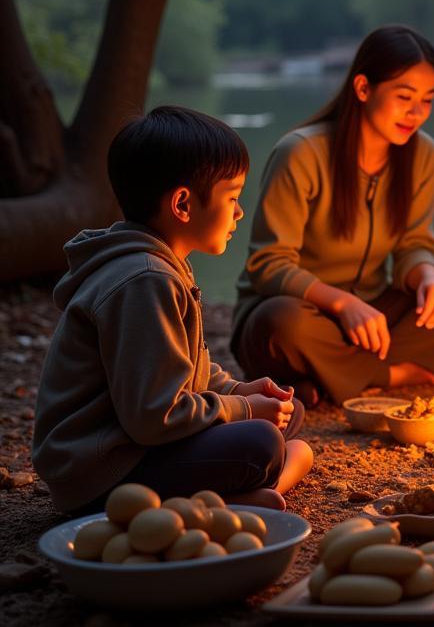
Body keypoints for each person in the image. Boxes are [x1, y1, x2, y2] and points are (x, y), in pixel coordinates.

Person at [33, 107, 314, 514]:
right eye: (232, 197)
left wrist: (238, 392)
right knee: (265, 442)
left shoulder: (160, 264)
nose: (239, 212)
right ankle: (226, 503)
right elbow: (155, 415)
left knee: (290, 413)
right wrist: (245, 410)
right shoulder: (144, 280)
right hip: (100, 470)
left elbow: (180, 368)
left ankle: (241, 498)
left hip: (131, 446)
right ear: (183, 203)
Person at [231, 25, 434, 406]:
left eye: (427, 100)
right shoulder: (301, 153)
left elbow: (414, 245)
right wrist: (343, 305)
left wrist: (429, 278)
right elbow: (268, 264)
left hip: (373, 317)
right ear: (363, 89)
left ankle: (324, 379)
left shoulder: (422, 154)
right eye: (404, 96)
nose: (416, 112)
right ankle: (388, 374)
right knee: (281, 323)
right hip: (302, 313)